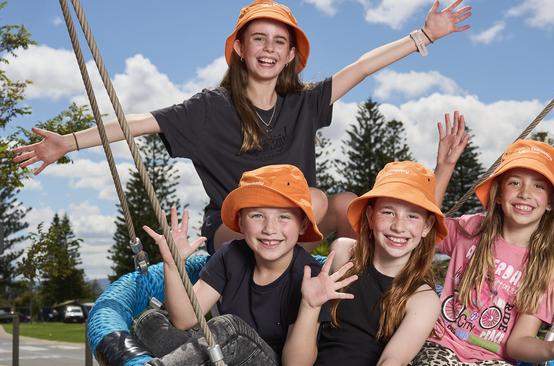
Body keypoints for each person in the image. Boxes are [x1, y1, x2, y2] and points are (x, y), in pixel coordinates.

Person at [11, 0, 472, 254]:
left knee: (347, 205)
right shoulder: (210, 109)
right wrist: (67, 143)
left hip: (298, 224)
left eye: (280, 42)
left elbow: (362, 67)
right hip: (233, 230)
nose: (269, 50)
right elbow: (138, 124)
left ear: (291, 55)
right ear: (239, 49)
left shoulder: (303, 103)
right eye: (259, 39)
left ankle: (358, 288)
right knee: (305, 198)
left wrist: (424, 36)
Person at [292, 112, 468, 366]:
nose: (398, 226)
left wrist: (445, 168)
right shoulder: (343, 254)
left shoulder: (422, 298)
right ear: (371, 217)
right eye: (388, 212)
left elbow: (392, 360)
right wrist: (308, 306)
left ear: (427, 227)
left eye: (412, 217)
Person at [410, 139, 554, 366]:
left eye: (539, 186)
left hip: (494, 360)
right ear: (499, 194)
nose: (525, 193)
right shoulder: (472, 229)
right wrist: (445, 167)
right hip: (442, 343)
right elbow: (421, 231)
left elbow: (518, 343)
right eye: (515, 183)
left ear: (551, 202)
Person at [137, 164, 357, 365]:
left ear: (302, 225)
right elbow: (185, 319)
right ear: (241, 222)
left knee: (228, 327)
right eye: (257, 215)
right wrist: (173, 264)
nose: (270, 228)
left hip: (268, 360)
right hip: (222, 356)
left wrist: (310, 306)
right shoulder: (231, 255)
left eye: (284, 217)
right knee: (150, 321)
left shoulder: (311, 276)